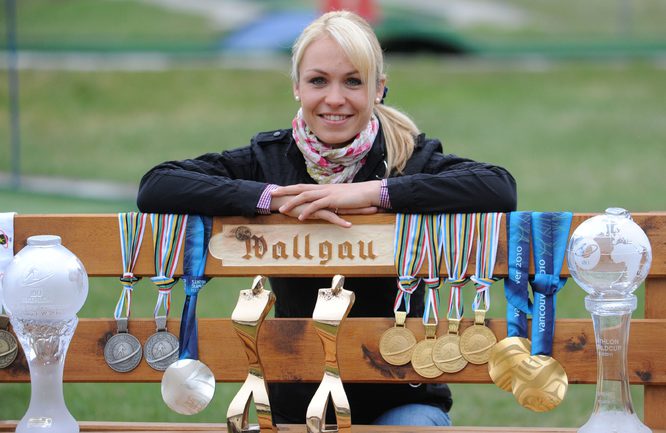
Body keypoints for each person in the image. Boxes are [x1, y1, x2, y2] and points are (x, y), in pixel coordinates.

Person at [137, 10, 516, 426]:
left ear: (378, 89)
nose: (335, 98)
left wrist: (370, 193)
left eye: (353, 81)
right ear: (297, 87)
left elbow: (498, 187)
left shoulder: (409, 158)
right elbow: (157, 185)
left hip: (397, 399)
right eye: (318, 81)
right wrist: (271, 198)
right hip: (294, 401)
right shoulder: (268, 160)